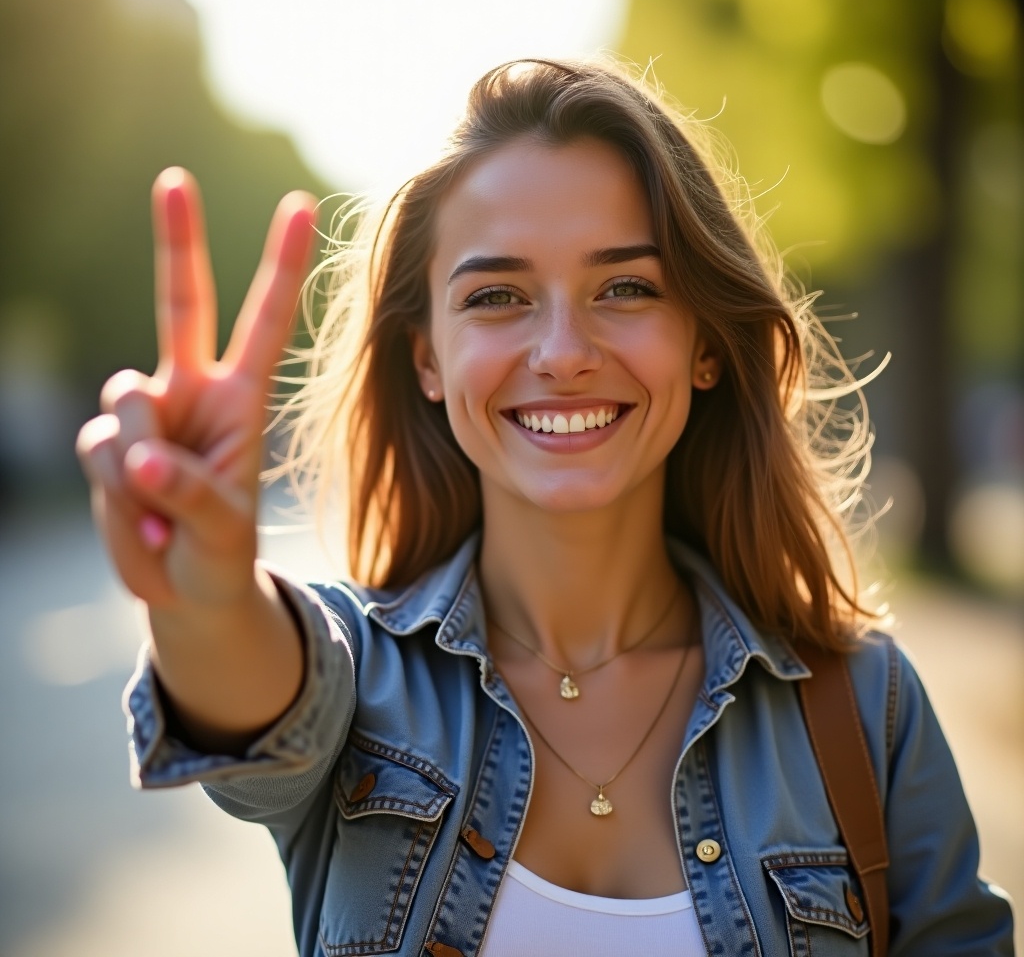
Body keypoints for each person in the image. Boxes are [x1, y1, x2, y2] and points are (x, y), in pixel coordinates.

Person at [77, 58, 1014, 956]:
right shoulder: (356, 674)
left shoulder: (867, 707)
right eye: (497, 295)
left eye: (626, 287)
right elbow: (245, 673)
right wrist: (200, 592)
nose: (563, 350)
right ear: (429, 360)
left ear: (705, 345)